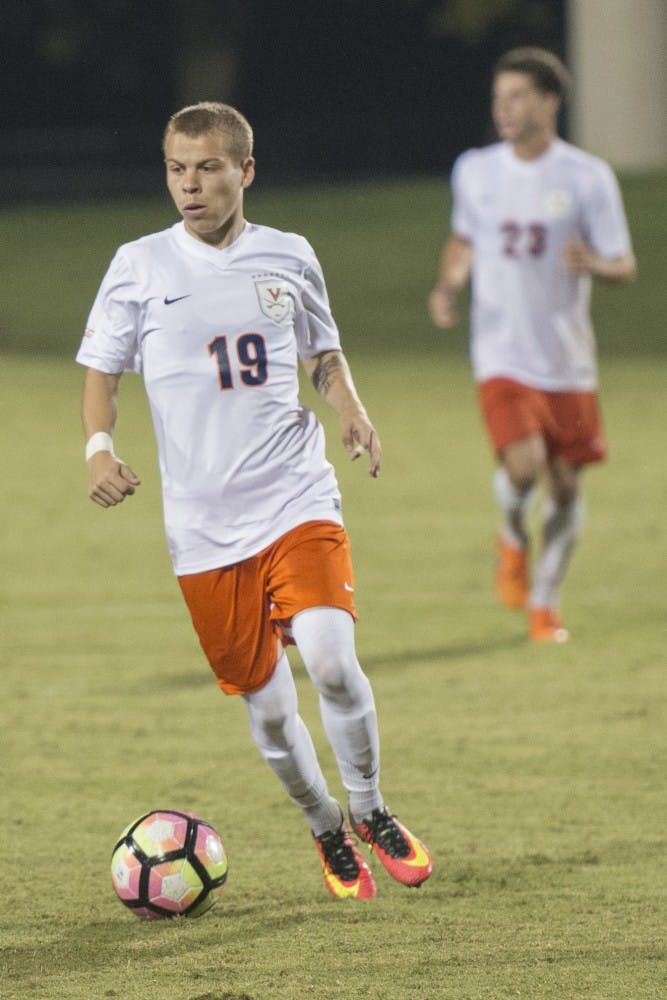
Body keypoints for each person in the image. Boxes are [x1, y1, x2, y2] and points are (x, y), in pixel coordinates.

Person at [77, 101, 432, 899]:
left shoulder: (288, 255)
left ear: (245, 170)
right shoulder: (139, 265)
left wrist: (349, 406)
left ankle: (371, 808)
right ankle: (323, 824)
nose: (189, 185)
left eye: (206, 167)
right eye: (176, 168)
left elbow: (321, 348)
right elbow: (101, 373)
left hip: (295, 493)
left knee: (335, 661)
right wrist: (99, 448)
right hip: (203, 528)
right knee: (271, 714)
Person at [428, 47, 636, 642]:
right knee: (525, 468)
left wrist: (593, 262)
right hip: (501, 352)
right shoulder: (476, 169)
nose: (504, 109)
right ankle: (513, 534)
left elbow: (624, 264)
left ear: (550, 101)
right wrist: (448, 284)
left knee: (567, 488)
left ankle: (545, 600)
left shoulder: (587, 176)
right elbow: (464, 240)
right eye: (499, 98)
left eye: (517, 96)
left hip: (567, 359)